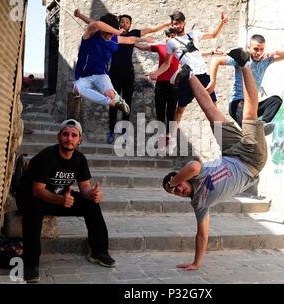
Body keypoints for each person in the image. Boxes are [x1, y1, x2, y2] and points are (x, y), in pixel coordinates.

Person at [161, 59, 267, 270]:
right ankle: (245, 63)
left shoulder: (194, 175)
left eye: (177, 187)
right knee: (249, 114)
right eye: (175, 193)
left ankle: (189, 74)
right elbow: (202, 234)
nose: (179, 190)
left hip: (230, 152)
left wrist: (173, 181)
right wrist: (196, 263)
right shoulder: (199, 203)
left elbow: (192, 166)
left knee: (211, 112)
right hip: (252, 160)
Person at [16, 119, 115, 283]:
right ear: (59, 137)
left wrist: (93, 194)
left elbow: (84, 189)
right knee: (33, 209)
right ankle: (30, 264)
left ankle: (99, 252)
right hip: (32, 198)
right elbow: (37, 191)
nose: (69, 138)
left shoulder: (79, 159)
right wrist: (61, 200)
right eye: (65, 134)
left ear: (79, 140)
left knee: (91, 204)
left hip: (59, 198)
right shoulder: (47, 156)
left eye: (73, 135)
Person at [75, 10, 170, 144]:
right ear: (117, 25)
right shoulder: (106, 34)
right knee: (108, 98)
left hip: (125, 72)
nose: (125, 23)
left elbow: (141, 34)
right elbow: (95, 24)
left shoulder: (125, 35)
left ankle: (125, 129)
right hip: (113, 71)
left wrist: (162, 27)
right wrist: (80, 15)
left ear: (130, 25)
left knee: (125, 99)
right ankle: (111, 130)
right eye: (122, 21)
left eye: (127, 22)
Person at [149, 11, 228, 154]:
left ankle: (225, 139)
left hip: (203, 75)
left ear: (184, 23)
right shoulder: (171, 43)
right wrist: (156, 73)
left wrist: (222, 23)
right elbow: (166, 64)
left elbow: (213, 35)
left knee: (214, 109)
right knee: (180, 110)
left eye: (178, 23)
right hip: (188, 77)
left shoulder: (194, 35)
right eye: (174, 23)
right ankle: (170, 140)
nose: (176, 25)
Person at [207, 34, 284, 134]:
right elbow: (217, 60)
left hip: (252, 105)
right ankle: (253, 133)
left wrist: (275, 52)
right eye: (256, 49)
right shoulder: (242, 59)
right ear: (249, 48)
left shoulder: (266, 60)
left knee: (276, 100)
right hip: (238, 104)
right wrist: (212, 81)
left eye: (261, 49)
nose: (258, 52)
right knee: (251, 133)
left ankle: (262, 124)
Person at [72, 11, 152, 118]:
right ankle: (111, 102)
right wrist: (117, 31)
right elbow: (97, 24)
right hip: (83, 76)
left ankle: (118, 100)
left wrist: (143, 39)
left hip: (101, 75)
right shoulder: (90, 35)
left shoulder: (114, 39)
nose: (110, 36)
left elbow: (130, 39)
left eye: (111, 34)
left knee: (110, 94)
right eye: (107, 33)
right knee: (77, 89)